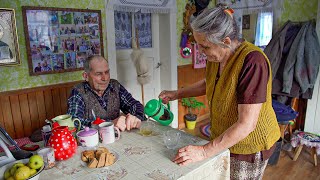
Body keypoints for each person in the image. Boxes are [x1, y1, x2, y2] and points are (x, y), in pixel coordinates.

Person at [159, 5, 280, 180]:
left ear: (227, 41)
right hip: (224, 136)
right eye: (198, 45)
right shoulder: (217, 57)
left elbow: (247, 124)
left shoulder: (253, 61)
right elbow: (210, 83)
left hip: (249, 145)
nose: (201, 51)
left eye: (205, 47)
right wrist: (176, 93)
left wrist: (203, 151)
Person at [67, 55, 144, 131]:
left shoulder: (114, 86)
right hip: (94, 142)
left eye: (106, 72)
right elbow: (74, 122)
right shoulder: (78, 91)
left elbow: (135, 105)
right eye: (98, 74)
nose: (105, 78)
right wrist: (109, 124)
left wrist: (134, 117)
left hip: (117, 137)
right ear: (86, 76)